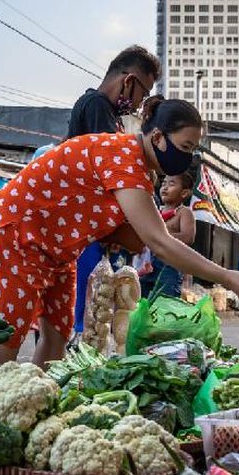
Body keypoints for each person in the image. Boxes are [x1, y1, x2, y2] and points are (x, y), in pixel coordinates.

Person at [0, 97, 239, 370]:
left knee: (58, 331)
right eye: (185, 146)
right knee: (8, 332)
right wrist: (228, 277)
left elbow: (138, 238)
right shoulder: (124, 159)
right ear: (157, 137)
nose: (187, 157)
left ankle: (40, 399)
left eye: (192, 149)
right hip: (19, 230)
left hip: (59, 248)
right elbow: (159, 242)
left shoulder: (138, 170)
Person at [67, 46, 162, 339]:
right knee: (85, 318)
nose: (138, 103)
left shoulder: (107, 114)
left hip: (89, 230)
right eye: (142, 93)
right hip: (82, 230)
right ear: (128, 81)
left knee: (92, 315)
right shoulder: (96, 105)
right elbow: (112, 177)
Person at [140, 171, 196, 298]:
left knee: (165, 301)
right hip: (147, 264)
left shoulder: (183, 212)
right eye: (163, 183)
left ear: (184, 193)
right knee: (141, 300)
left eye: (171, 184)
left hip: (170, 265)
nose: (165, 187)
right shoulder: (155, 211)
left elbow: (188, 237)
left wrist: (161, 236)